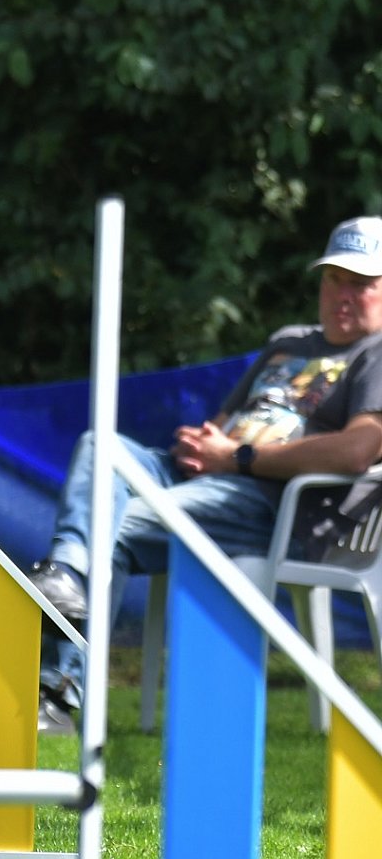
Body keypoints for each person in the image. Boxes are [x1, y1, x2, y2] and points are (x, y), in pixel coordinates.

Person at [29, 215, 382, 734]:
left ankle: (58, 691)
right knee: (101, 446)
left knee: (112, 528)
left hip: (276, 505)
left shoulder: (375, 354)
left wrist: (238, 457)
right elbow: (227, 420)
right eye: (334, 278)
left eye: (361, 283)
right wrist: (202, 444)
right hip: (209, 477)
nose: (343, 295)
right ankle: (68, 574)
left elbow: (359, 449)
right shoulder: (288, 342)